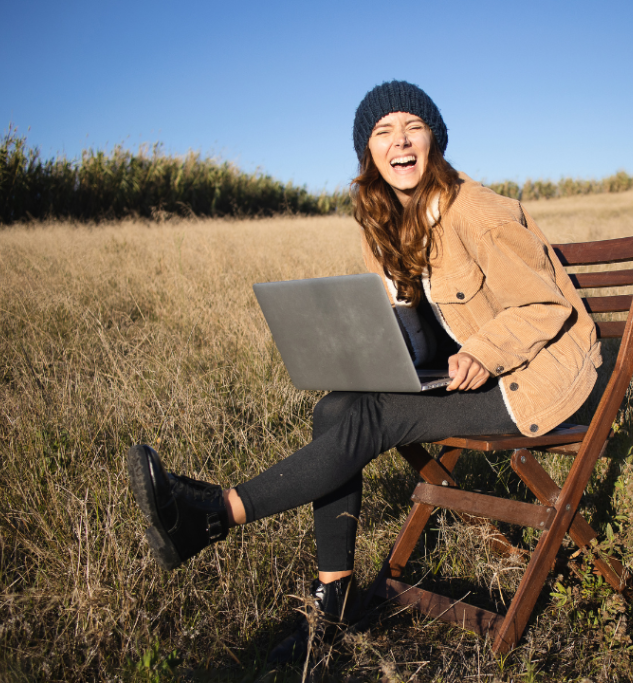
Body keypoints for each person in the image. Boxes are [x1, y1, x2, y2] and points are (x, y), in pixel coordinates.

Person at [126, 80, 602, 664]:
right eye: (383, 132)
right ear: (368, 153)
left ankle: (212, 514)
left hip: (535, 380)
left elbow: (543, 306)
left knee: (372, 415)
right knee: (335, 408)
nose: (399, 142)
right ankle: (337, 598)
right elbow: (427, 331)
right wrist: (378, 333)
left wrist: (485, 349)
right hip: (470, 377)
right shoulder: (390, 221)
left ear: (434, 141)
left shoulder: (479, 211)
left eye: (413, 128)